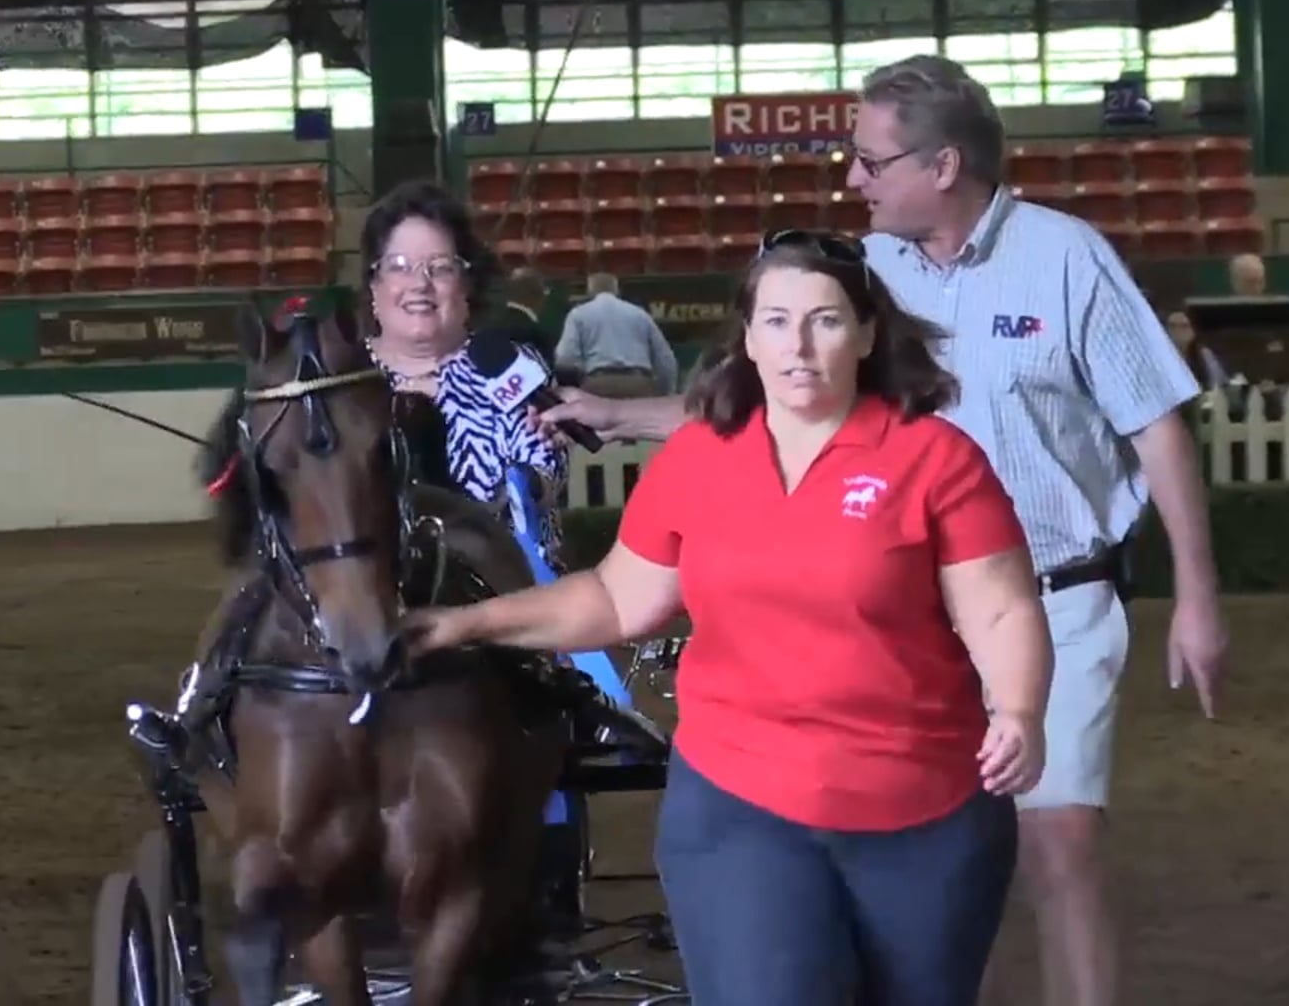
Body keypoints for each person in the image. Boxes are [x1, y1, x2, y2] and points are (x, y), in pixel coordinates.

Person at [533, 55, 1229, 1006]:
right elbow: (771, 404)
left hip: (1054, 595)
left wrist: (1197, 595)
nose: (852, 178)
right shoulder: (867, 277)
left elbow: (1154, 421)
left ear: (941, 166)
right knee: (922, 856)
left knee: (1057, 841)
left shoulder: (1066, 257)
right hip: (896, 613)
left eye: (868, 159)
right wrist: (621, 419)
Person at [403, 229, 1054, 1006]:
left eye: (827, 320)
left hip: (926, 813)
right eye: (776, 321)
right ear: (747, 337)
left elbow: (1003, 608)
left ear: (869, 332)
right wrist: (459, 626)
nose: (799, 346)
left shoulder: (934, 459)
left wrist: (1018, 709)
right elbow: (618, 598)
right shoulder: (700, 457)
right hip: (740, 806)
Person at [358, 180, 565, 508]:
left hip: (502, 555)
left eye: (440, 268)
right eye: (398, 267)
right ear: (374, 284)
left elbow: (546, 475)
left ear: (467, 283)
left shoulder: (512, 367)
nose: (419, 284)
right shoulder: (345, 378)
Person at [553, 271, 680, 398]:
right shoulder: (640, 314)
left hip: (597, 384)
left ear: (589, 291)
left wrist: (571, 389)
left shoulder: (578, 314)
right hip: (639, 383)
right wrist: (665, 391)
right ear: (617, 290)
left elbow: (566, 357)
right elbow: (666, 359)